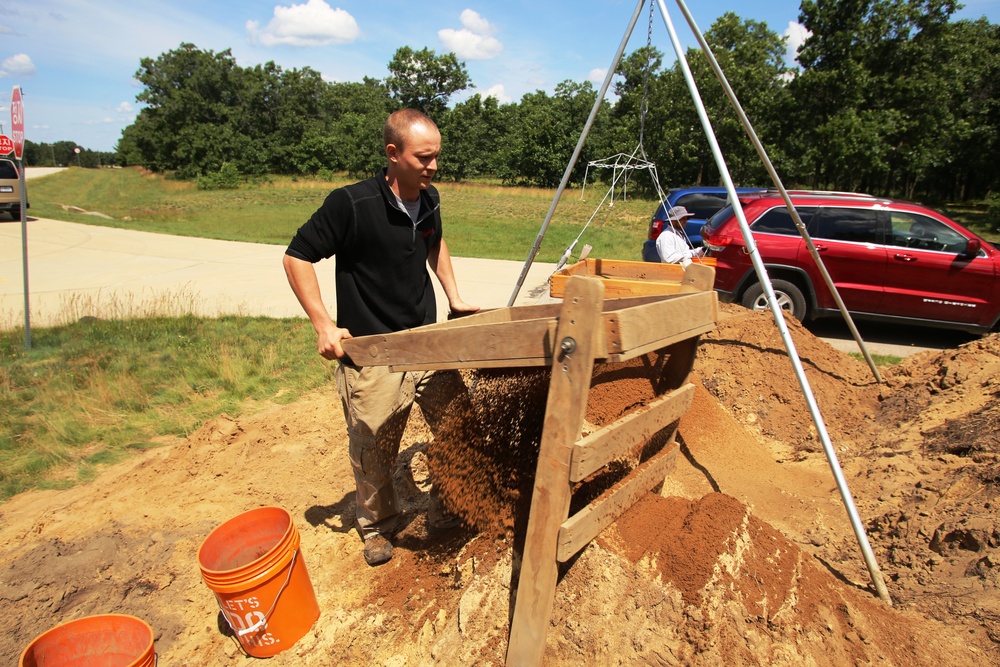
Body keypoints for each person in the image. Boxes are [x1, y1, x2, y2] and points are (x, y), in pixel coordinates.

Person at [282, 108, 480, 567]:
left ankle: (449, 508)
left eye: (437, 157)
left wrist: (454, 296)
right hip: (372, 352)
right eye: (424, 158)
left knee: (458, 423)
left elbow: (434, 242)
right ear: (393, 154)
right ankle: (377, 526)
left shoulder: (429, 199)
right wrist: (323, 325)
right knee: (374, 445)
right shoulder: (351, 204)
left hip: (426, 341)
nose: (433, 167)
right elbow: (297, 257)